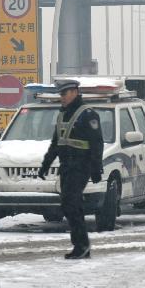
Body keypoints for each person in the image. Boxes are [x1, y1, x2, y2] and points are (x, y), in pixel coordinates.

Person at [38, 79, 105, 259]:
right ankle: (81, 245)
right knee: (69, 205)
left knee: (71, 204)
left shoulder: (87, 114)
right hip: (66, 167)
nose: (62, 97)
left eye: (64, 94)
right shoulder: (63, 115)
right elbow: (56, 143)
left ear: (75, 92)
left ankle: (81, 245)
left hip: (81, 167)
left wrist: (96, 168)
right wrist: (45, 165)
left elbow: (97, 143)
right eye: (61, 94)